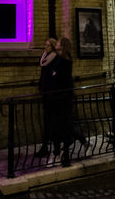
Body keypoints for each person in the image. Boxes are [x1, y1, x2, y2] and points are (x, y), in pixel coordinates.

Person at [49, 37, 75, 166]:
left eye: (58, 42)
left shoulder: (64, 61)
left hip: (62, 99)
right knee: (58, 126)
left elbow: (59, 78)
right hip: (58, 98)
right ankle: (58, 152)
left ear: (62, 46)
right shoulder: (59, 59)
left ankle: (63, 155)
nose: (56, 44)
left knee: (62, 126)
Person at [34, 38, 58, 159]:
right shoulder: (45, 57)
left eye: (48, 45)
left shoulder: (54, 59)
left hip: (51, 95)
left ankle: (51, 146)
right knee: (47, 121)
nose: (45, 47)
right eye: (45, 45)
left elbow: (53, 77)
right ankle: (46, 146)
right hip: (45, 93)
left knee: (52, 121)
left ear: (53, 47)